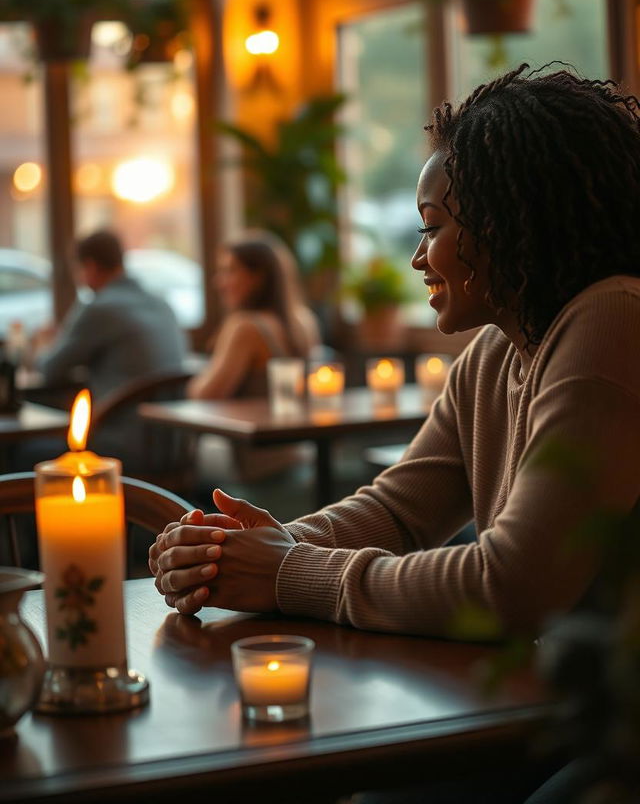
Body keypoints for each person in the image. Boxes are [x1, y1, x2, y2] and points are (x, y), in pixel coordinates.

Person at [149, 63, 640, 648]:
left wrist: (284, 571)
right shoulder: (493, 354)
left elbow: (514, 584)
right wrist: (247, 548)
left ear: (510, 222)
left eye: (431, 228)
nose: (418, 258)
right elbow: (397, 513)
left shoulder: (615, 318)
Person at [28, 228, 187, 470]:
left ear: (89, 267)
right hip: (175, 444)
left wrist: (41, 345)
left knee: (23, 453)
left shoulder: (100, 308)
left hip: (121, 445)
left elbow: (50, 369)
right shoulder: (161, 303)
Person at [186, 228, 322, 487]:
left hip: (257, 468)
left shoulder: (246, 326)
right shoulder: (304, 321)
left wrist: (197, 377)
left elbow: (206, 394)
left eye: (230, 271)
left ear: (257, 277)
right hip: (300, 456)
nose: (219, 281)